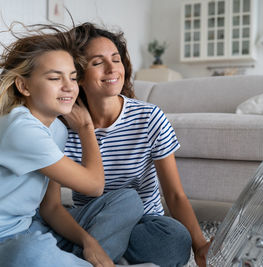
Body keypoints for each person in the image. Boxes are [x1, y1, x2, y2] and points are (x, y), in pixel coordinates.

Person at [0, 23, 143, 267]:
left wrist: (88, 241)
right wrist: (86, 129)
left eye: (73, 77)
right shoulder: (17, 127)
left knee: (127, 200)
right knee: (33, 250)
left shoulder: (57, 130)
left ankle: (79, 260)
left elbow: (51, 207)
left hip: (27, 229)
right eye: (55, 78)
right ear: (24, 86)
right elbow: (95, 185)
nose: (69, 87)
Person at [64, 22, 211, 267]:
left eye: (116, 59)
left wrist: (200, 245)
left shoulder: (149, 118)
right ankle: (106, 255)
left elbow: (174, 195)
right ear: (77, 75)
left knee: (175, 241)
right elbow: (45, 202)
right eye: (98, 62)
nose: (112, 69)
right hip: (92, 223)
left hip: (144, 223)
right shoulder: (64, 126)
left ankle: (101, 255)